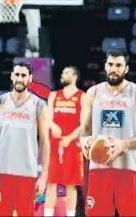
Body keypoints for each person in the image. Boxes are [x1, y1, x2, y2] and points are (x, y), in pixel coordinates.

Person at [79, 50, 136, 216]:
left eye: (118, 65)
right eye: (110, 65)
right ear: (105, 66)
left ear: (126, 69)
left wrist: (125, 144)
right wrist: (84, 141)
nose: (113, 69)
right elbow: (84, 129)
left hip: (128, 168)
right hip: (99, 167)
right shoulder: (93, 93)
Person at [0, 62, 50, 216]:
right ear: (11, 76)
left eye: (23, 75)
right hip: (1, 172)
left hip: (27, 174)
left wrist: (44, 176)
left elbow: (46, 142)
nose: (20, 78)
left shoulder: (39, 105)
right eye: (17, 74)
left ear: (30, 78)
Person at [44, 66, 85, 217]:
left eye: (66, 73)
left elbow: (84, 124)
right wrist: (53, 125)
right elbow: (47, 118)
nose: (63, 75)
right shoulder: (54, 95)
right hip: (54, 145)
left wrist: (70, 138)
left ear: (75, 77)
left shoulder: (82, 96)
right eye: (62, 73)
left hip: (72, 146)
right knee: (51, 183)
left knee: (71, 185)